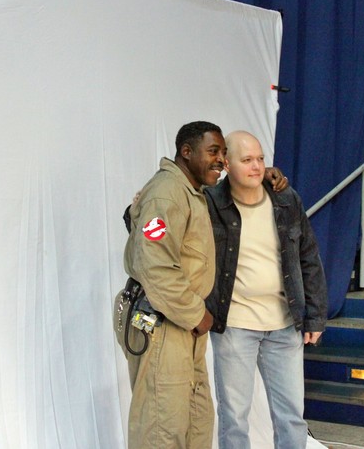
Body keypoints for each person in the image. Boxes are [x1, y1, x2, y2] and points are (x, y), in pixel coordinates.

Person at [204, 130, 327, 449]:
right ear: (227, 164)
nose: (257, 166)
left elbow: (309, 257)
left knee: (292, 417)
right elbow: (157, 222)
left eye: (260, 158)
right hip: (234, 326)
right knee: (234, 417)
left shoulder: (286, 199)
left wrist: (315, 317)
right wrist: (142, 210)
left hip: (285, 324)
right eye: (247, 160)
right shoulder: (210, 201)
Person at [119, 121, 225, 449]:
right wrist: (196, 314)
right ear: (186, 152)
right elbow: (156, 266)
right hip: (162, 321)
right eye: (213, 151)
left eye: (224, 153)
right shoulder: (166, 193)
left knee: (194, 421)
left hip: (180, 323)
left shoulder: (191, 191)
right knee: (161, 428)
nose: (221, 160)